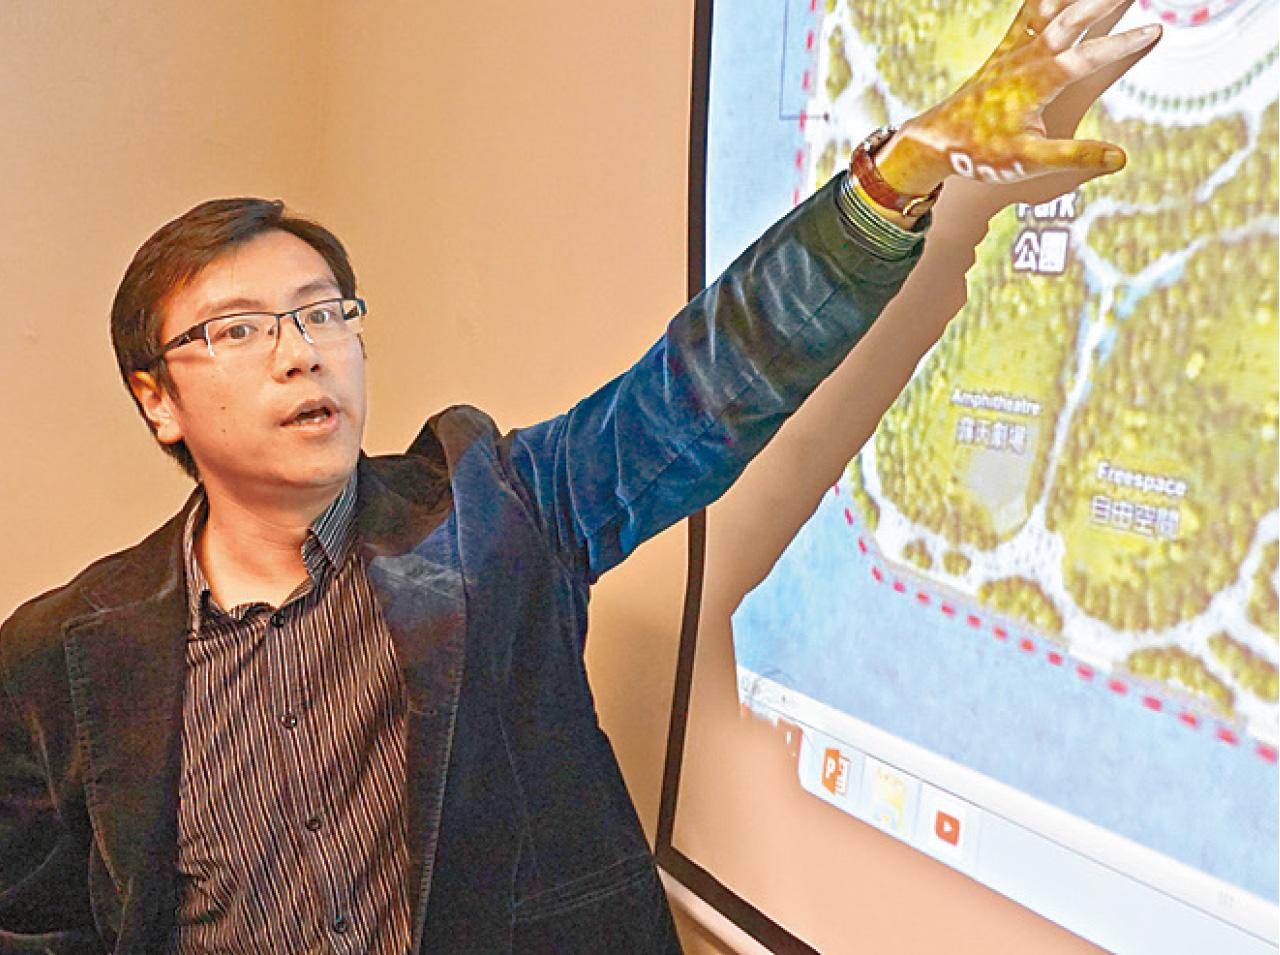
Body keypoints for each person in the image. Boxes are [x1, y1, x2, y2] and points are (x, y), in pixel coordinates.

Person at [0, 1, 1160, 952]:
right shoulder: (60, 656)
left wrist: (909, 166)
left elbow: (705, 382)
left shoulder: (490, 513)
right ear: (156, 398)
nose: (301, 352)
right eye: (240, 329)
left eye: (323, 313)